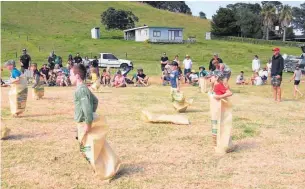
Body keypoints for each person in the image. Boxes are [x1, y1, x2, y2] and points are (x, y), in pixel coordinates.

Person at [70, 64, 120, 180]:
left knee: (87, 148)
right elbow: (95, 101)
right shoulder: (83, 88)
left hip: (84, 123)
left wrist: (88, 122)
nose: (69, 77)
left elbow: (87, 107)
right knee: (94, 146)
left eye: (71, 75)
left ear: (77, 76)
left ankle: (103, 169)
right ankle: (108, 165)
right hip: (83, 122)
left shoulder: (81, 90)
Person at [209, 71, 233, 153]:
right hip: (214, 111)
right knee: (215, 127)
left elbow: (229, 93)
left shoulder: (218, 85)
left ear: (216, 78)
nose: (210, 78)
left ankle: (223, 145)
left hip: (219, 111)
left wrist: (219, 96)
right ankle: (217, 144)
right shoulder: (214, 86)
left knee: (220, 126)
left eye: (211, 76)